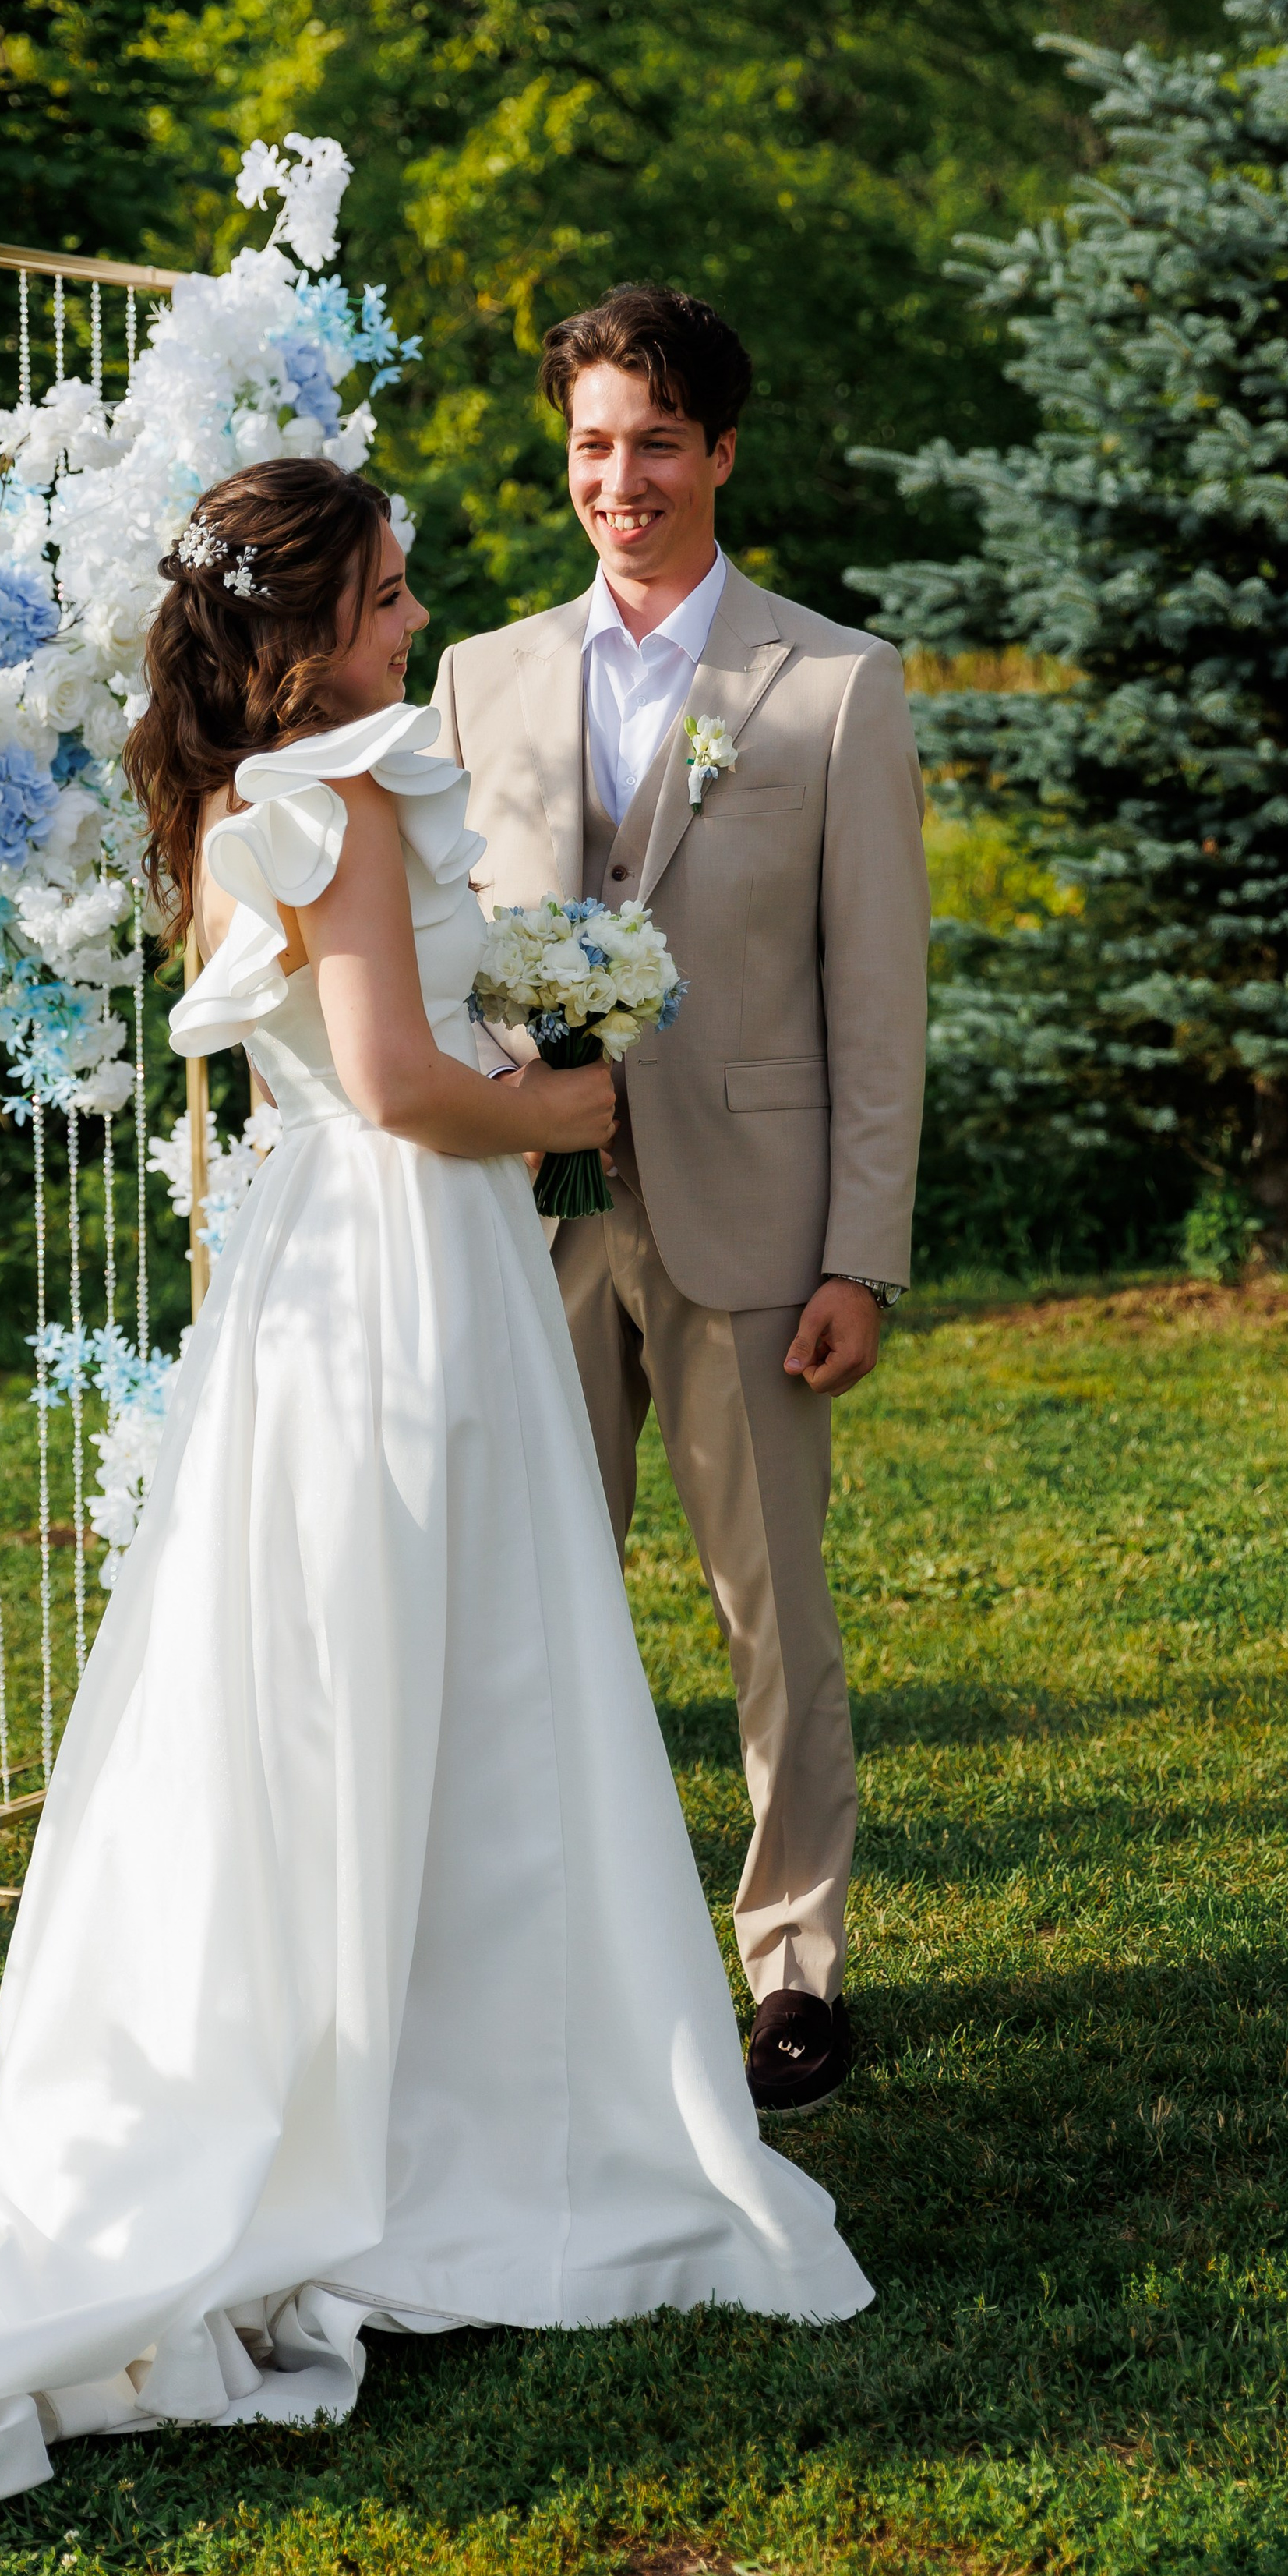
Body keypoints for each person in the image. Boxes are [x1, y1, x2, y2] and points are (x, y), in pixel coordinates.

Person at [0, 455, 870, 2545]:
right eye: (397, 593)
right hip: (403, 1260)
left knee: (386, 1662)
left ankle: (433, 2067)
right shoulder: (339, 794)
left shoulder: (281, 792)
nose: (420, 620)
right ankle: (439, 2120)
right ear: (319, 618)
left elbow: (366, 1052)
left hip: (342, 1265)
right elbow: (408, 1081)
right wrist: (563, 1097)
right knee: (437, 1650)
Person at [433, 287, 930, 2118]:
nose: (617, 480)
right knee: (516, 1595)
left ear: (718, 451)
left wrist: (857, 1254)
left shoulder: (831, 682)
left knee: (768, 1613)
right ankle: (526, 1953)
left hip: (752, 1221)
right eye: (589, 445)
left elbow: (877, 999)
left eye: (653, 442)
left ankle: (793, 1963)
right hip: (524, 1217)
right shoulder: (476, 675)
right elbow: (436, 951)